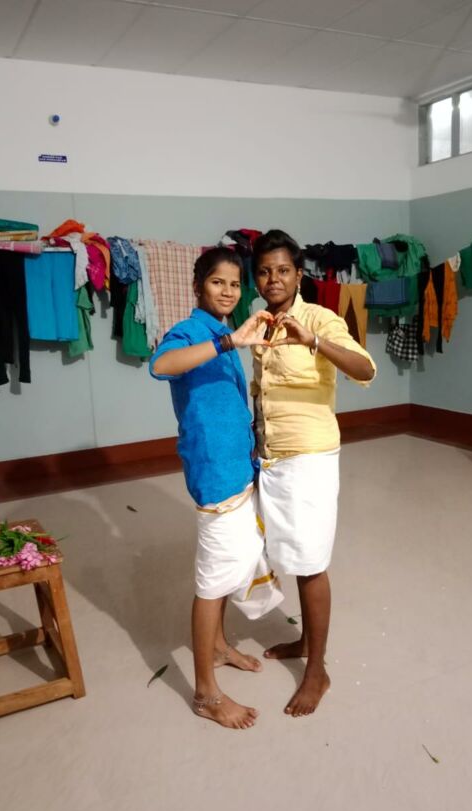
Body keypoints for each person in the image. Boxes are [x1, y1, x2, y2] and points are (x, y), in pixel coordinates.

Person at [251, 229, 377, 718]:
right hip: (273, 458)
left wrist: (316, 342)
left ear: (298, 275)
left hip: (310, 459)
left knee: (310, 563)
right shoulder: (260, 323)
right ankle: (305, 642)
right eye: (265, 271)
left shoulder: (319, 318)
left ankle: (317, 671)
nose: (274, 279)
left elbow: (364, 370)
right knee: (289, 553)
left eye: (283, 270)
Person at [150, 246, 272, 729]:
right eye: (218, 282)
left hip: (238, 467)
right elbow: (162, 365)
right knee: (212, 581)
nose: (228, 291)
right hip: (214, 473)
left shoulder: (224, 332)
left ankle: (219, 647)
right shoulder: (191, 331)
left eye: (235, 284)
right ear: (199, 285)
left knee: (231, 567)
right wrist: (229, 342)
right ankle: (205, 693)